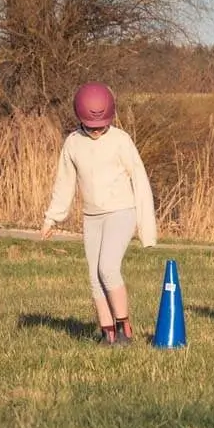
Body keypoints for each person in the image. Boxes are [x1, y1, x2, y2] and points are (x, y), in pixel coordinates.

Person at [41, 82, 157, 346]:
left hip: (121, 212)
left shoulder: (121, 140)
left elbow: (140, 180)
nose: (97, 131)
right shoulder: (72, 143)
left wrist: (146, 228)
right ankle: (108, 332)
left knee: (108, 268)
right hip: (92, 216)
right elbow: (65, 182)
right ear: (80, 119)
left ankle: (124, 327)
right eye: (92, 127)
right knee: (94, 277)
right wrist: (52, 217)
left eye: (102, 126)